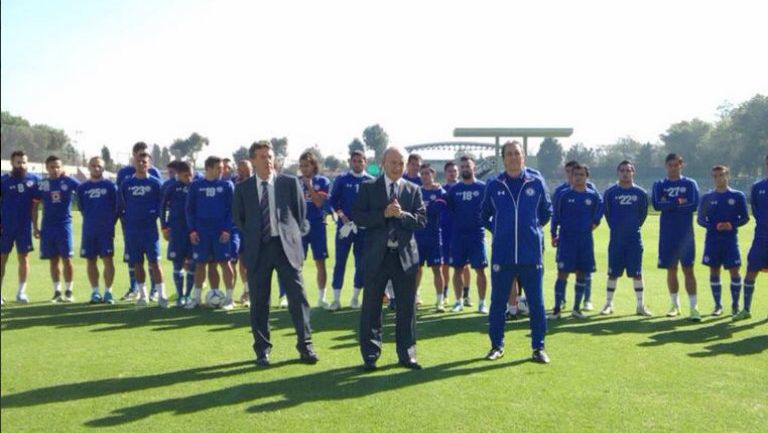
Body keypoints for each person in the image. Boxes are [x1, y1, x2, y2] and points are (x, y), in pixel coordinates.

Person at [233, 140, 317, 367]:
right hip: (259, 249)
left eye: (270, 156)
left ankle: (305, 345)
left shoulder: (288, 183)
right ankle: (262, 350)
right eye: (262, 157)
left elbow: (300, 214)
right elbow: (239, 220)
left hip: (286, 247)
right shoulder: (243, 188)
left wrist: (290, 237)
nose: (267, 161)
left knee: (298, 299)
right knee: (259, 302)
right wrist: (255, 236)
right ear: (253, 160)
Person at [352, 146, 426, 371]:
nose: (397, 167)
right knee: (372, 307)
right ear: (383, 163)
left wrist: (402, 215)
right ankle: (371, 355)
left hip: (404, 257)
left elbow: (421, 221)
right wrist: (383, 215)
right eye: (393, 162)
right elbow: (358, 216)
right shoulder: (368, 187)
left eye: (401, 163)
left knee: (406, 308)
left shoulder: (413, 189)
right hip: (377, 256)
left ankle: (407, 355)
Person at [481, 140, 551, 363]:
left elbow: (546, 213)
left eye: (516, 153)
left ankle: (538, 348)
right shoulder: (494, 185)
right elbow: (484, 215)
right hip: (502, 254)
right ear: (503, 159)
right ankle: (496, 346)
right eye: (508, 154)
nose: (513, 157)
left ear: (524, 157)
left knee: (537, 303)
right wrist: (500, 230)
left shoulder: (537, 183)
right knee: (498, 302)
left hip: (531, 253)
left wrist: (531, 231)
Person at [549, 163, 603, 319]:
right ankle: (557, 309)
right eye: (575, 175)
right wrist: (553, 234)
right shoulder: (564, 195)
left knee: (581, 273)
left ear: (587, 177)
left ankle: (576, 309)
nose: (578, 177)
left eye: (581, 175)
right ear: (571, 177)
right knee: (562, 273)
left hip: (585, 240)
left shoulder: (592, 196)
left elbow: (600, 209)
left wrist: (596, 222)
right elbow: (556, 216)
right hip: (567, 240)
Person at [652, 153, 701, 321]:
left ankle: (694, 307)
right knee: (671, 269)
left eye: (676, 165)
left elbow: (693, 204)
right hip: (667, 235)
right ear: (666, 166)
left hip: (686, 235)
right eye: (670, 165)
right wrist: (679, 201)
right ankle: (675, 305)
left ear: (681, 165)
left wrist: (670, 202)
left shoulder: (689, 183)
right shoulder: (659, 184)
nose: (673, 168)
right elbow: (658, 205)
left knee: (688, 270)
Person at [600, 160, 652, 316]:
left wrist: (632, 227)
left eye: (628, 170)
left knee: (637, 272)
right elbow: (607, 214)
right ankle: (608, 304)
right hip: (616, 239)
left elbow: (643, 214)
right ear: (618, 172)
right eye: (622, 170)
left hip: (634, 239)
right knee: (613, 273)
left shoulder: (640, 193)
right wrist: (617, 228)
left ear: (633, 172)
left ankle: (640, 305)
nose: (625, 173)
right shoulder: (610, 193)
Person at [697, 165, 750, 317]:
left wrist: (731, 225)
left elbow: (745, 218)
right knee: (714, 271)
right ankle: (718, 306)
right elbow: (700, 220)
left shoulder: (738, 196)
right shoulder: (707, 198)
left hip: (730, 241)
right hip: (712, 240)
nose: (718, 178)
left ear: (728, 176)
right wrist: (714, 225)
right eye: (715, 176)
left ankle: (735, 305)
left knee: (735, 271)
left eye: (721, 175)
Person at [185, 156, 236, 310]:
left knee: (225, 263)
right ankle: (197, 298)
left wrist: (227, 229)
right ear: (208, 168)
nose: (222, 171)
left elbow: (232, 210)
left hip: (221, 231)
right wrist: (192, 230)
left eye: (222, 168)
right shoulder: (196, 186)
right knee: (200, 264)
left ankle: (229, 299)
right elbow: (189, 210)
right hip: (201, 231)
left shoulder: (227, 185)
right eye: (218, 168)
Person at [119, 151, 167, 307]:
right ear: (134, 163)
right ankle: (142, 295)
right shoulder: (126, 184)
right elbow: (123, 205)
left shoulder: (155, 183)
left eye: (145, 162)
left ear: (149, 164)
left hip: (149, 230)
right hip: (132, 230)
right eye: (139, 161)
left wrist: (163, 225)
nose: (141, 164)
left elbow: (162, 206)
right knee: (137, 263)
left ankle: (161, 295)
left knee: (155, 262)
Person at [328, 150, 374, 308]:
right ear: (350, 162)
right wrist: (341, 216)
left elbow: (374, 206)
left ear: (365, 162)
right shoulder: (341, 179)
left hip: (363, 229)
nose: (358, 164)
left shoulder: (371, 180)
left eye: (360, 161)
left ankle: (355, 297)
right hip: (345, 227)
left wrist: (366, 220)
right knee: (340, 262)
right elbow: (333, 201)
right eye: (355, 161)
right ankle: (336, 299)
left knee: (361, 263)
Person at [35, 155, 80, 302]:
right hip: (47, 227)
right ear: (47, 168)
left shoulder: (68, 181)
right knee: (53, 260)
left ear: (62, 167)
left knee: (67, 259)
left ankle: (69, 291)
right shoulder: (42, 184)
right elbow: (34, 205)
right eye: (52, 167)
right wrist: (35, 227)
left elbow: (84, 190)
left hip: (64, 226)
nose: (55, 169)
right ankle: (57, 292)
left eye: (58, 166)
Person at [446, 155, 488, 313]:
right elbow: (449, 210)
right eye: (462, 167)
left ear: (474, 167)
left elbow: (490, 210)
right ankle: (458, 301)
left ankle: (482, 302)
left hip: (477, 235)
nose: (465, 169)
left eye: (467, 166)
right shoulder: (454, 190)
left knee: (480, 270)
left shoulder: (483, 188)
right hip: (458, 236)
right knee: (457, 269)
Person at [76, 157, 119, 304]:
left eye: (99, 166)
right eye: (93, 166)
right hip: (89, 230)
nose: (96, 168)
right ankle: (95, 292)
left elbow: (116, 207)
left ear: (103, 168)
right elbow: (81, 208)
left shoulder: (110, 186)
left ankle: (108, 292)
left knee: (108, 260)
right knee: (91, 260)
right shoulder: (82, 188)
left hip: (105, 231)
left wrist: (108, 223)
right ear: (88, 167)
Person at [0, 151, 40, 305]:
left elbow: (36, 206)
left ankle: (21, 292)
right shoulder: (3, 180)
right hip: (5, 226)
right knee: (2, 258)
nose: (21, 165)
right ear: (12, 163)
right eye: (18, 162)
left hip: (24, 227)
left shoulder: (34, 180)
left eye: (24, 162)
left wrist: (35, 227)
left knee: (24, 258)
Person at [298, 151, 332, 309]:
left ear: (314, 165)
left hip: (317, 225)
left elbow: (319, 203)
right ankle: (297, 296)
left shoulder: (322, 181)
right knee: (296, 263)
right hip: (299, 227)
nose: (304, 169)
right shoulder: (295, 182)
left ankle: (322, 297)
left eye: (307, 165)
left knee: (320, 262)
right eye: (302, 166)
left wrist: (309, 185)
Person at [736, 154, 768, 321]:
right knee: (751, 271)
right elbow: (755, 210)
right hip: (761, 238)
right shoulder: (757, 187)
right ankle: (746, 309)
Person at [161, 161, 196, 307]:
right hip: (176, 231)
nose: (189, 178)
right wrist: (164, 227)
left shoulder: (195, 187)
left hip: (192, 231)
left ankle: (188, 295)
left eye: (191, 175)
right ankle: (180, 296)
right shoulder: (171, 187)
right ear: (178, 174)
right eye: (185, 175)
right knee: (177, 264)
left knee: (192, 264)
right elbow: (162, 207)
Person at [414, 164, 447, 312]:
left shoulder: (440, 191)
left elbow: (440, 207)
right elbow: (415, 212)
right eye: (423, 174)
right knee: (416, 269)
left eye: (427, 173)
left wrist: (429, 208)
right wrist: (430, 208)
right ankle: (414, 297)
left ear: (433, 175)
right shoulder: (416, 192)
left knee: (437, 270)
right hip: (418, 237)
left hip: (434, 237)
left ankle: (440, 300)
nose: (425, 176)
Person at [234, 159, 253, 306]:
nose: (241, 171)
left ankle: (257, 291)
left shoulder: (257, 182)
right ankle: (247, 290)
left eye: (244, 168)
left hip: (257, 228)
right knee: (242, 260)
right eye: (239, 169)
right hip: (241, 229)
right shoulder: (235, 184)